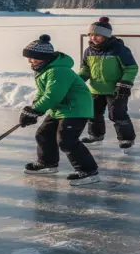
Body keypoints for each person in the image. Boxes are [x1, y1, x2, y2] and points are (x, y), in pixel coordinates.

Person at [18, 34, 100, 186]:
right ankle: (47, 163)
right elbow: (43, 93)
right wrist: (33, 109)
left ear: (44, 57)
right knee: (43, 134)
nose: (30, 61)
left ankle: (89, 170)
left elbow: (53, 95)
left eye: (33, 58)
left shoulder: (58, 71)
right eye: (29, 58)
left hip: (76, 108)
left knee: (66, 140)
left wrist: (35, 110)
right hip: (61, 108)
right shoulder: (45, 69)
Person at [78, 17, 139, 151]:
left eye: (97, 35)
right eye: (91, 34)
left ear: (106, 35)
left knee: (117, 114)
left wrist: (125, 83)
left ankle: (126, 138)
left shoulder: (119, 49)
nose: (94, 37)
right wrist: (78, 80)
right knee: (93, 113)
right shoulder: (88, 51)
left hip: (116, 90)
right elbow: (86, 69)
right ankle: (95, 135)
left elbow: (131, 68)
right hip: (96, 89)